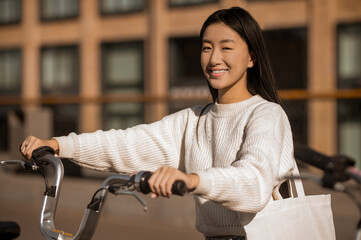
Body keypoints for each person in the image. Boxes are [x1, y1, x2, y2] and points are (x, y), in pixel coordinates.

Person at [21, 7, 296, 240]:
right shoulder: (194, 120)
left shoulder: (266, 115)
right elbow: (128, 143)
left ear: (251, 57)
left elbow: (254, 182)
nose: (214, 59)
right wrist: (58, 144)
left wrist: (191, 180)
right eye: (207, 48)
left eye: (226, 47)